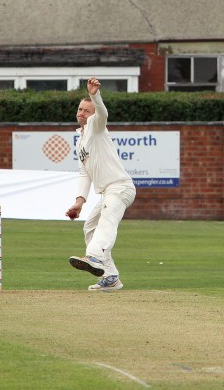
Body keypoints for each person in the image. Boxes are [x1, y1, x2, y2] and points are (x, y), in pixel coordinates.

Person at [66, 77, 137, 292]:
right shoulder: (81, 140)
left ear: (93, 114)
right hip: (108, 191)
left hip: (120, 187)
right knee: (90, 226)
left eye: (87, 111)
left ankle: (94, 257)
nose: (82, 113)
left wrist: (94, 95)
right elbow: (84, 173)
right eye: (80, 109)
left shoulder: (97, 127)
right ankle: (110, 277)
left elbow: (103, 113)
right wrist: (79, 202)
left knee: (107, 221)